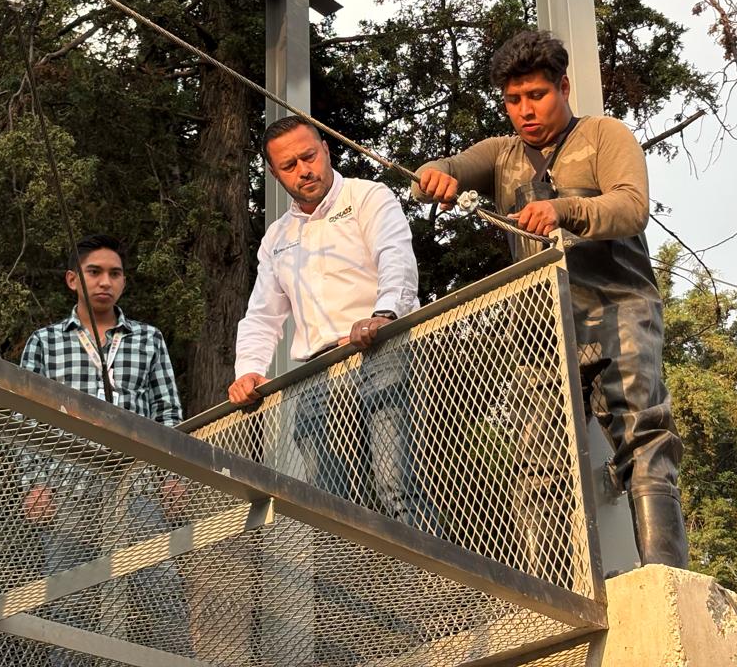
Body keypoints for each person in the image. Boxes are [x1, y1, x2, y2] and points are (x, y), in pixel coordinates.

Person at [414, 30, 688, 569]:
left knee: (643, 436)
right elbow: (447, 170)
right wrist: (434, 177)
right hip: (539, 328)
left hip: (618, 308)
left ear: (563, 88)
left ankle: (664, 578)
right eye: (513, 100)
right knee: (538, 461)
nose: (525, 110)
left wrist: (564, 210)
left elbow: (632, 207)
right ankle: (553, 588)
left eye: (536, 95)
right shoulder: (500, 154)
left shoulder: (604, 135)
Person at [228, 116, 436, 531]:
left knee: (397, 485)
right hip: (316, 377)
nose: (304, 170)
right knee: (330, 509)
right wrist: (248, 370)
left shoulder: (367, 196)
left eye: (309, 156)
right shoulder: (276, 237)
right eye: (289, 166)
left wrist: (383, 315)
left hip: (382, 351)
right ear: (275, 174)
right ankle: (355, 577)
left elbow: (395, 256)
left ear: (325, 149)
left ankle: (434, 572)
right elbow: (263, 313)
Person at [19, 234, 191, 661]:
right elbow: (28, 418)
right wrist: (34, 483)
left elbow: (167, 412)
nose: (104, 282)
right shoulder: (45, 342)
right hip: (67, 488)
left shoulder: (147, 338)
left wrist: (173, 477)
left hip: (136, 486)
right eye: (94, 272)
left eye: (114, 274)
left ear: (124, 282)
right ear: (72, 280)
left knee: (161, 588)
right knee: (68, 599)